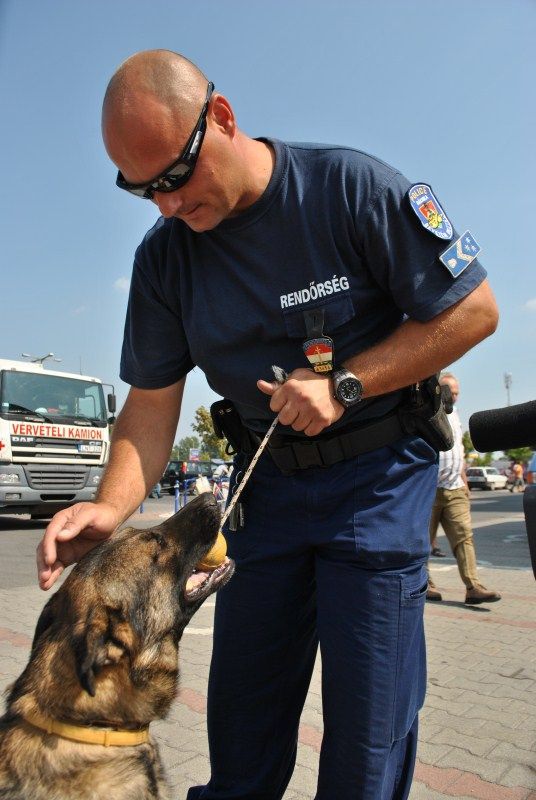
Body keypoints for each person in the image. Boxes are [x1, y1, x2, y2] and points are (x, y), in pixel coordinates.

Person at [36, 50, 499, 800]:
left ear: (221, 117)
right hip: (268, 498)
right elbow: (151, 404)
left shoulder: (349, 188)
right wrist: (109, 507)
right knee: (242, 747)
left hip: (377, 487)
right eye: (142, 189)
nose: (165, 206)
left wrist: (346, 385)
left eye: (174, 176)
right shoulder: (164, 261)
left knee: (364, 756)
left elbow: (473, 311)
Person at [426, 373, 501, 604]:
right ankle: (425, 584)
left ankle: (473, 587)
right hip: (428, 488)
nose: (454, 397)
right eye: (451, 392)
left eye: (457, 393)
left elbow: (458, 449)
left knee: (464, 537)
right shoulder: (426, 410)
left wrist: (465, 482)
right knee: (422, 540)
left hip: (455, 487)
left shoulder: (456, 414)